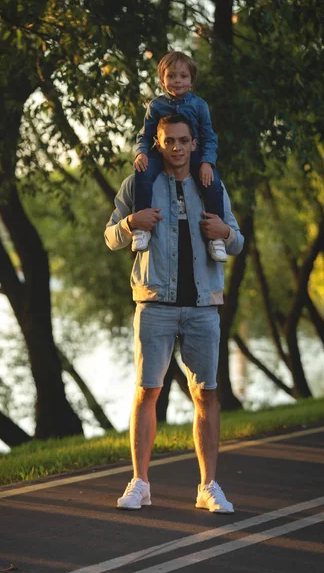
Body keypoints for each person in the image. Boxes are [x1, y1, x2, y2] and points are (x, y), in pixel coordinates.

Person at [104, 114, 244, 514]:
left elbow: (237, 242)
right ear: (158, 143)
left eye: (184, 140)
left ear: (195, 143)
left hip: (203, 306)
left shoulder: (210, 185)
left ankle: (208, 486)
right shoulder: (139, 184)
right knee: (148, 391)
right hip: (154, 304)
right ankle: (140, 483)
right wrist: (131, 222)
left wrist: (226, 233)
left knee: (207, 394)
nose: (178, 148)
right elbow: (110, 236)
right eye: (170, 141)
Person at [132, 51, 227, 262]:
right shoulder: (156, 106)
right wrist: (141, 154)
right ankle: (142, 228)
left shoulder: (199, 105)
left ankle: (216, 237)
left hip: (194, 154)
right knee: (142, 172)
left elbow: (209, 137)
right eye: (172, 76)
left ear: (191, 81)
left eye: (183, 76)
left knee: (213, 183)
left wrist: (207, 162)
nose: (177, 81)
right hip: (161, 152)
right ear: (162, 80)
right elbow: (145, 135)